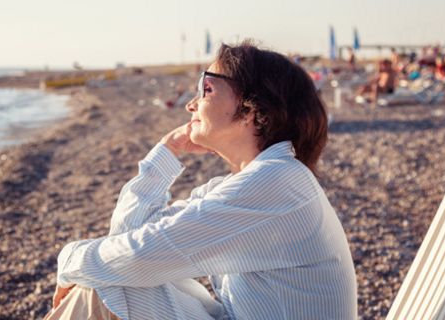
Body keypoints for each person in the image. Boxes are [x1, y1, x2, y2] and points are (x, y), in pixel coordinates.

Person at [47, 40, 358, 319]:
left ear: (252, 109)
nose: (191, 104)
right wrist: (168, 151)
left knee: (112, 282)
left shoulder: (276, 183)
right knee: (114, 279)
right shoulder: (255, 182)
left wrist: (69, 262)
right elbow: (128, 240)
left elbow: (138, 255)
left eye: (206, 88)